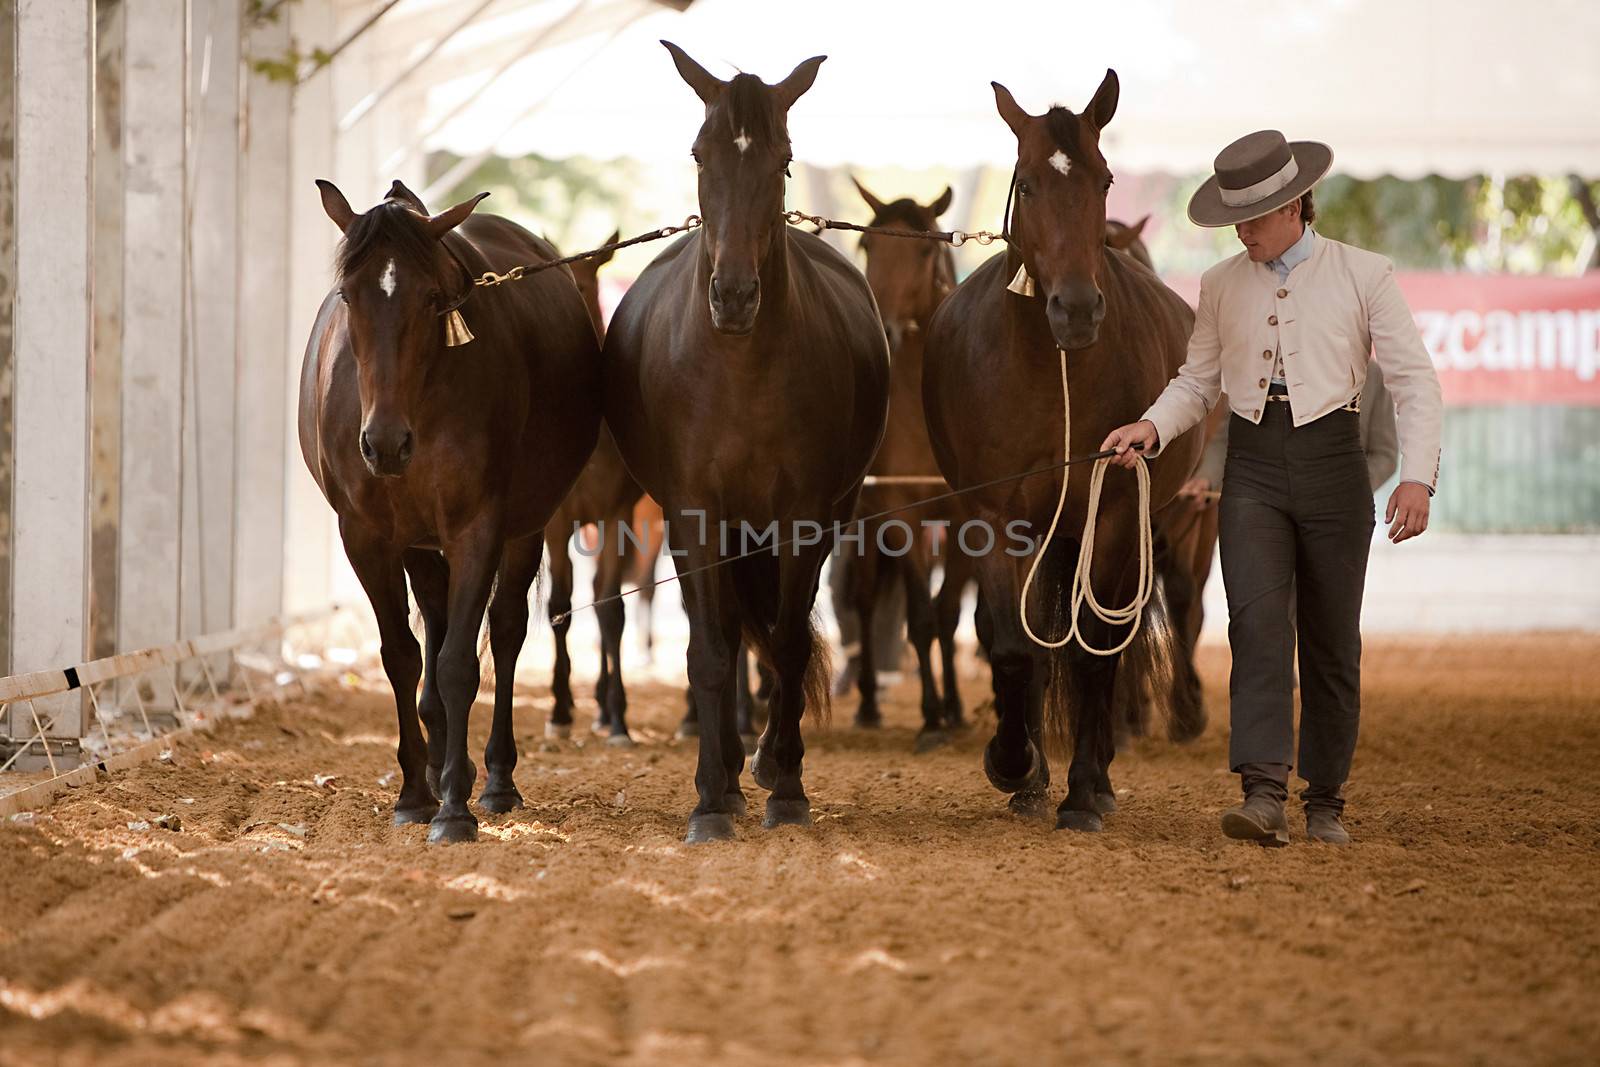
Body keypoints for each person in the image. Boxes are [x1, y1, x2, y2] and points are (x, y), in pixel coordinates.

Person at [1101, 130, 1442, 846]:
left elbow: (1413, 380)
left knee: (1330, 639)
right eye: (1234, 217)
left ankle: (1325, 799)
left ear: (1294, 205)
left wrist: (1417, 476)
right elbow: (1198, 381)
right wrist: (1151, 428)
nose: (1241, 229)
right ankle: (1262, 792)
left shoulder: (1363, 272)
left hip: (1333, 461)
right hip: (1253, 464)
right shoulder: (1221, 283)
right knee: (1256, 626)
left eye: (1253, 215)